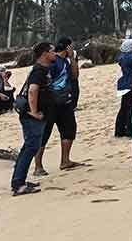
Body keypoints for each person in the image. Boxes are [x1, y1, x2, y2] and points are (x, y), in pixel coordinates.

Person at [33, 36, 85, 176]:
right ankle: (38, 166)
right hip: (50, 103)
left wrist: (73, 58)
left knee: (69, 130)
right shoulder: (52, 62)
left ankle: (65, 160)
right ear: (68, 47)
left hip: (65, 102)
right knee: (44, 134)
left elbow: (74, 76)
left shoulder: (65, 61)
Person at [11, 42, 56, 196]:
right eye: (52, 51)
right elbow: (32, 91)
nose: (54, 53)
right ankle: (18, 184)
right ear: (44, 53)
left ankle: (19, 180)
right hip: (31, 117)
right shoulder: (39, 71)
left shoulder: (43, 70)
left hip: (35, 115)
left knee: (29, 147)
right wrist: (34, 112)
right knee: (30, 147)